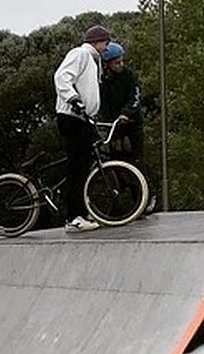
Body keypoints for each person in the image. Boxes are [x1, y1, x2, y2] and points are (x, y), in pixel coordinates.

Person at [53, 24, 112, 232]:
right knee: (77, 167)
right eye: (106, 42)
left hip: (83, 119)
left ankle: (80, 211)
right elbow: (61, 77)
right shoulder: (80, 54)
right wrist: (73, 99)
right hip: (72, 116)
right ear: (96, 41)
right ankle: (73, 217)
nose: (107, 47)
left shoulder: (93, 61)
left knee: (83, 165)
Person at [99, 42, 157, 215]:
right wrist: (110, 125)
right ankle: (120, 202)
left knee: (137, 160)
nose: (121, 65)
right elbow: (104, 105)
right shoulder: (104, 80)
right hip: (115, 125)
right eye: (117, 63)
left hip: (132, 123)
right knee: (116, 162)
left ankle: (145, 196)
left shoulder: (129, 76)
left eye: (122, 62)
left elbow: (135, 97)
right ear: (107, 64)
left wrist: (126, 113)